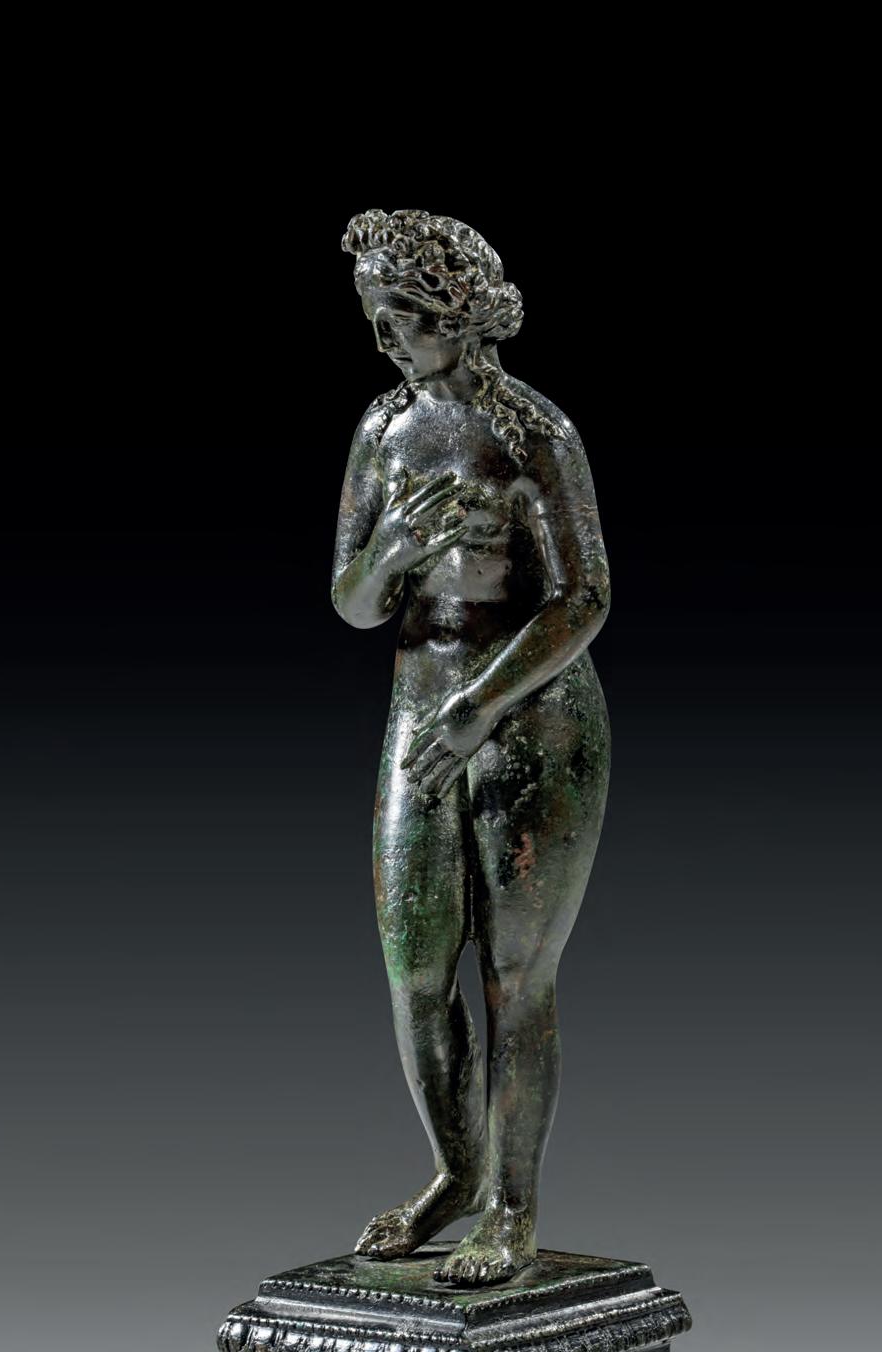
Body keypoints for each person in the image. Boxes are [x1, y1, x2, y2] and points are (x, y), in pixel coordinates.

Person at [331, 209, 611, 1286]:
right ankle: (455, 1171)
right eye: (373, 315)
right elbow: (352, 603)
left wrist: (483, 703)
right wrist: (395, 548)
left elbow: (584, 596)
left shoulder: (535, 433)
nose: (385, 338)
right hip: (421, 701)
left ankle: (511, 1207)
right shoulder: (383, 430)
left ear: (459, 317)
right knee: (414, 970)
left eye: (402, 314)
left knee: (514, 977)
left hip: (532, 711)